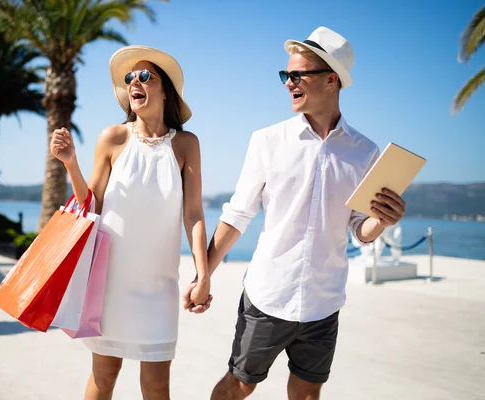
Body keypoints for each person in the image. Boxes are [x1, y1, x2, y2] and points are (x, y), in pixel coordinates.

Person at [184, 27, 407, 399]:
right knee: (237, 387)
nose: (288, 83)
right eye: (285, 75)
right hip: (269, 296)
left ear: (331, 80)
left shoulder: (365, 153)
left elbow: (359, 229)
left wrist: (381, 220)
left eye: (298, 75)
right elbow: (238, 214)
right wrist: (202, 275)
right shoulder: (267, 141)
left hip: (324, 302)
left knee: (306, 395)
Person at [50, 45, 211, 400]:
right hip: (110, 282)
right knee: (104, 377)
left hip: (159, 286)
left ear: (164, 89)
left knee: (157, 387)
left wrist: (204, 275)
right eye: (129, 78)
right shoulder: (113, 137)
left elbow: (194, 213)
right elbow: (90, 204)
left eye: (144, 76)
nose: (134, 82)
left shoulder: (186, 144)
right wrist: (70, 163)